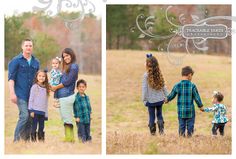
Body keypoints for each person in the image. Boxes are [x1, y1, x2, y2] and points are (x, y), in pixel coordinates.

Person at [8, 38, 40, 142]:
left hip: (32, 96)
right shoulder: (15, 61)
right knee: (24, 116)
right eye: (26, 45)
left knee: (31, 118)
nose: (28, 47)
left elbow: (38, 79)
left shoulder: (36, 62)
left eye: (30, 45)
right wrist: (12, 93)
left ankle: (25, 141)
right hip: (20, 94)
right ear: (22, 47)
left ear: (32, 47)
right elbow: (11, 78)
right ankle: (16, 140)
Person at [165, 66, 204, 137]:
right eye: (192, 76)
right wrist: (200, 106)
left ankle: (181, 136)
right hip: (190, 112)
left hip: (181, 111)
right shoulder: (192, 86)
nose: (191, 78)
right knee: (190, 126)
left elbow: (172, 94)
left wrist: (167, 99)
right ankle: (189, 136)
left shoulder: (177, 85)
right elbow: (197, 97)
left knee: (181, 125)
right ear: (189, 75)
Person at [50, 48, 79, 142]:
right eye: (64, 56)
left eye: (67, 55)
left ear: (71, 54)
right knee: (65, 118)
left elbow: (67, 81)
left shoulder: (73, 67)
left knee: (67, 118)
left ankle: (70, 139)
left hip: (67, 96)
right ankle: (68, 138)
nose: (66, 58)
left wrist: (56, 87)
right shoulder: (66, 67)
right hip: (62, 96)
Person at [142, 54, 168, 135]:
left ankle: (153, 133)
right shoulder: (159, 74)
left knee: (151, 116)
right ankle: (161, 131)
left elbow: (144, 89)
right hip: (160, 100)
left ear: (147, 64)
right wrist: (168, 96)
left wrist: (144, 100)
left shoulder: (145, 75)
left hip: (150, 101)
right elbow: (164, 86)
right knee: (159, 115)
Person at [28, 70, 50, 142]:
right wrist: (31, 110)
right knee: (34, 127)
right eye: (39, 76)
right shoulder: (34, 87)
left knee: (41, 127)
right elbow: (31, 99)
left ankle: (41, 141)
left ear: (45, 78)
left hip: (42, 112)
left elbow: (46, 102)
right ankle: (33, 141)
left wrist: (46, 114)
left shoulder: (46, 88)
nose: (41, 77)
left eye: (43, 76)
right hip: (34, 111)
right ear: (36, 77)